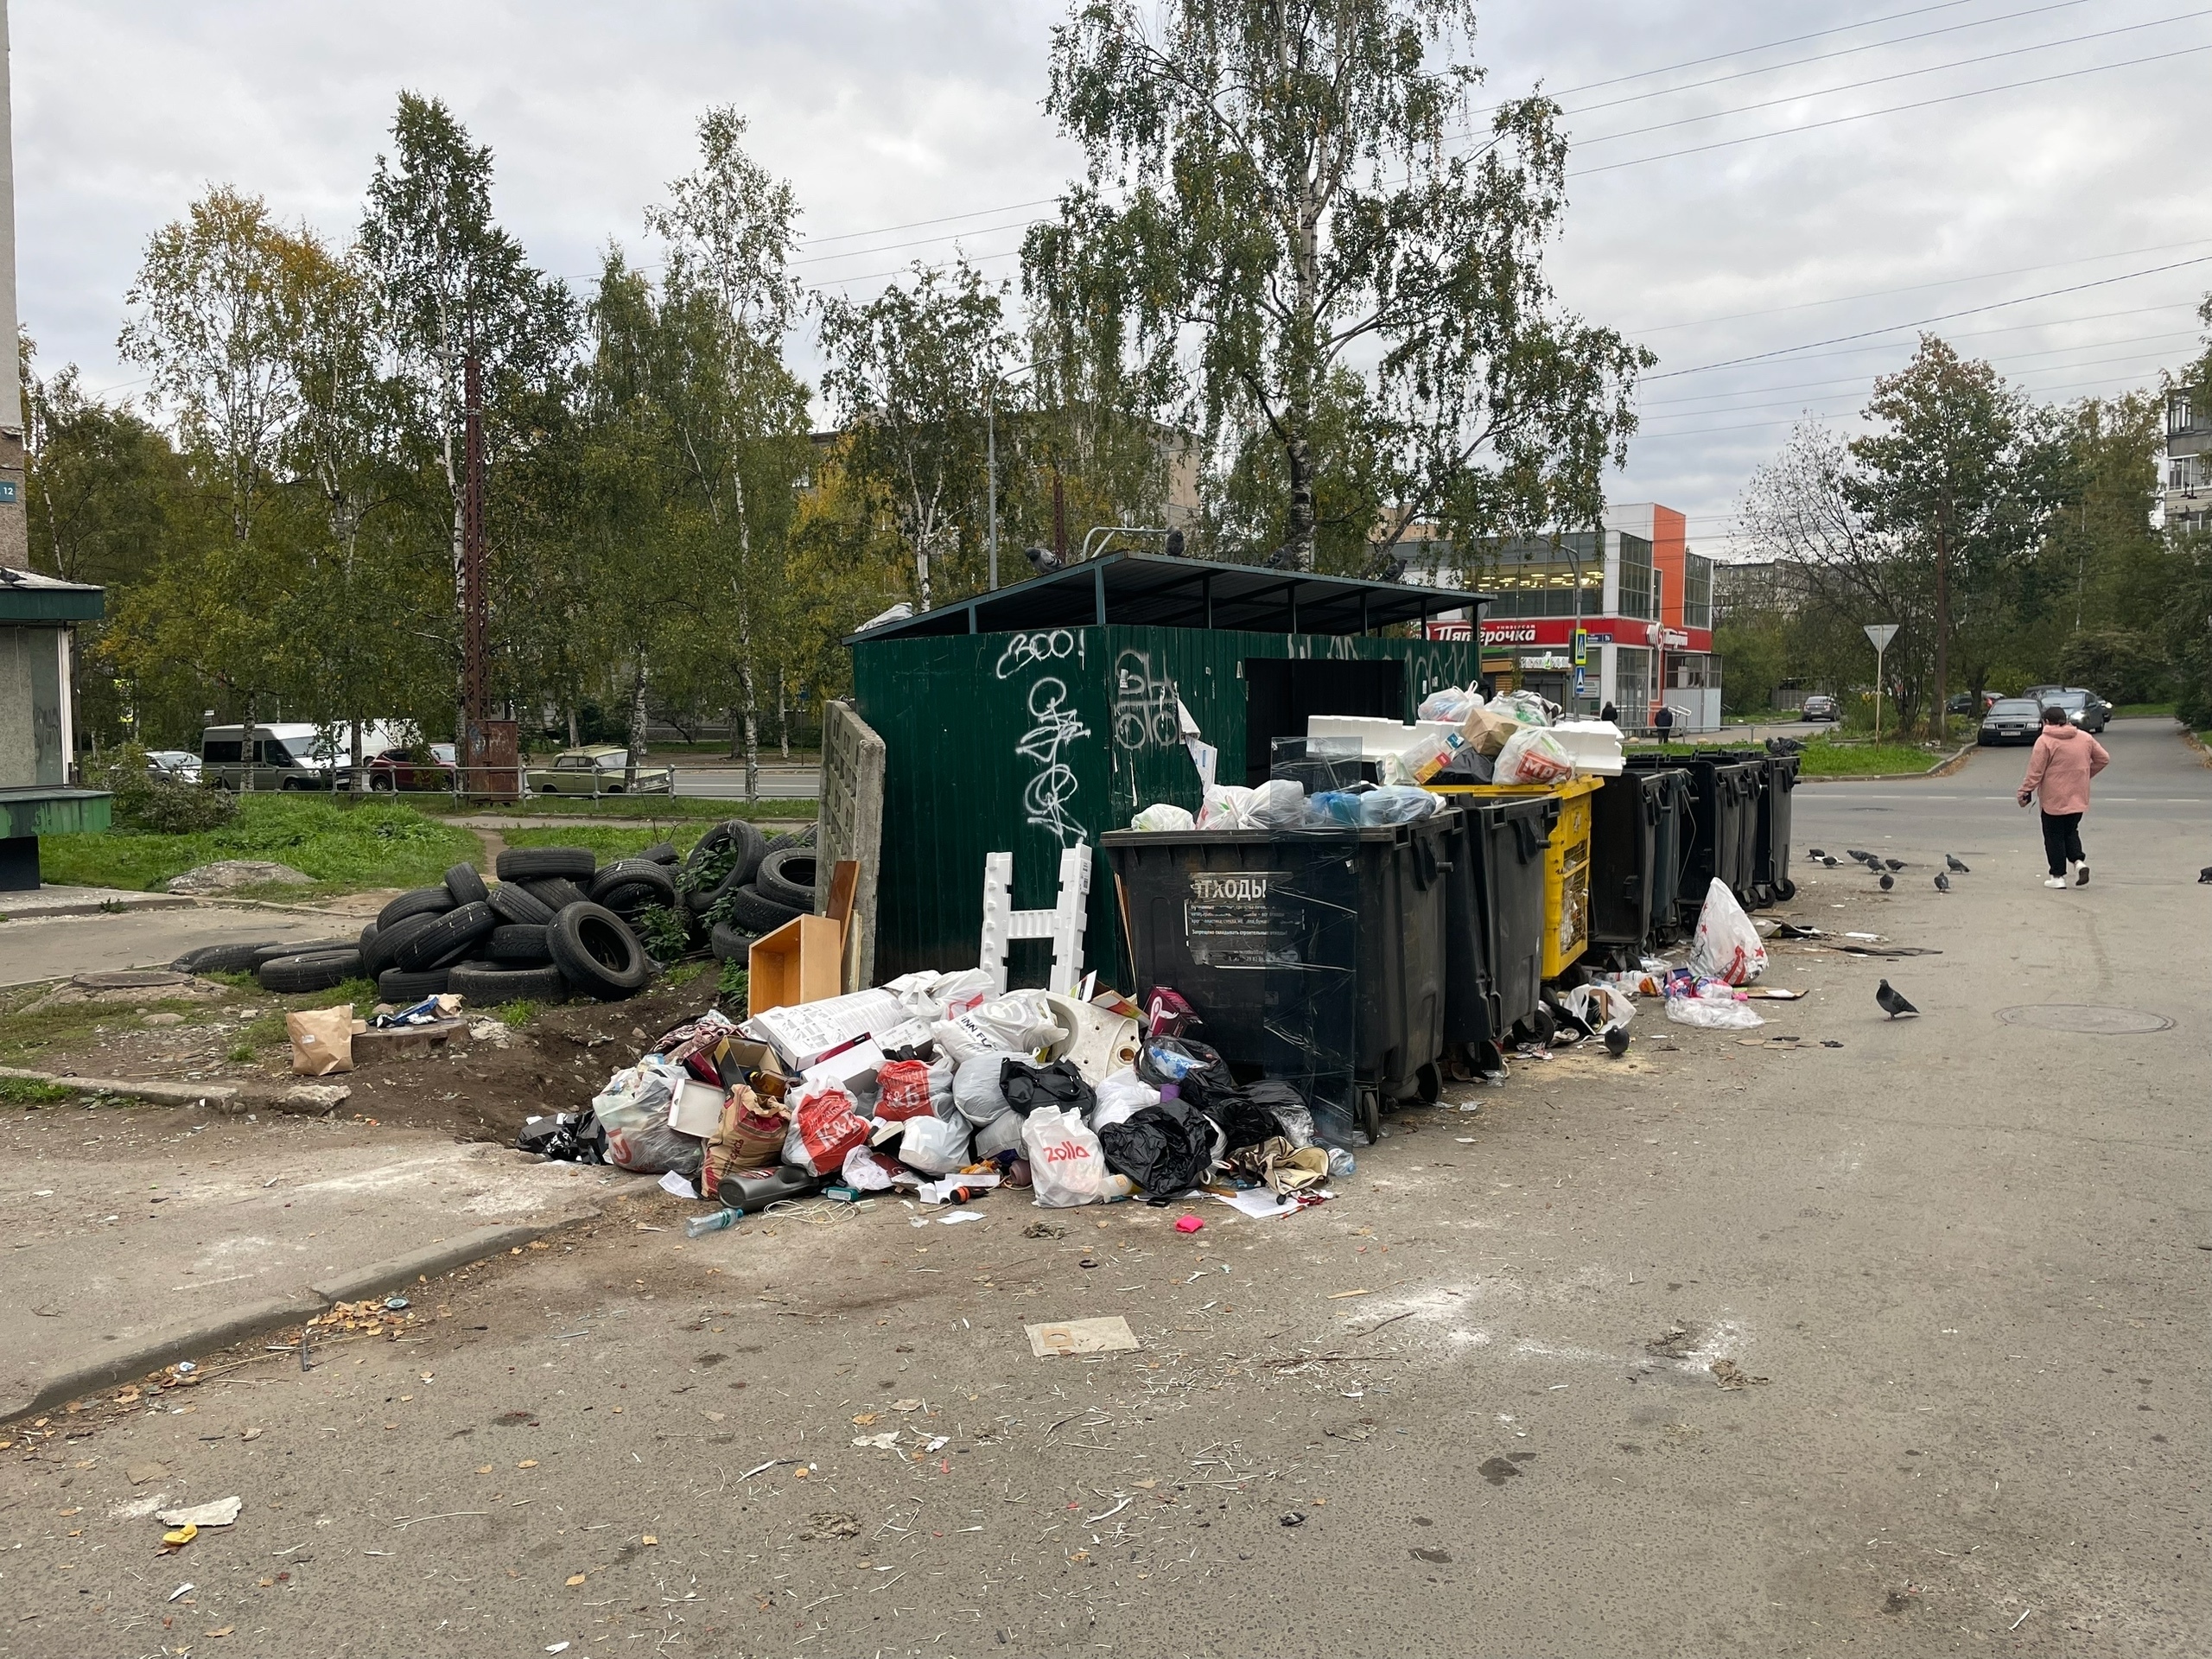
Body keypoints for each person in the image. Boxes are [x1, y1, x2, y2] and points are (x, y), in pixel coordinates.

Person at [2018, 704, 2109, 887]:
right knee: (2070, 830)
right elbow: (2103, 758)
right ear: (2065, 720)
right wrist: (2085, 774)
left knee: (2053, 836)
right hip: (2078, 795)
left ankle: (2057, 877)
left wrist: (2024, 791)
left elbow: (2035, 772)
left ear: (2046, 721)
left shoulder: (2045, 742)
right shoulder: (2085, 738)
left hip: (2053, 798)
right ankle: (2079, 862)